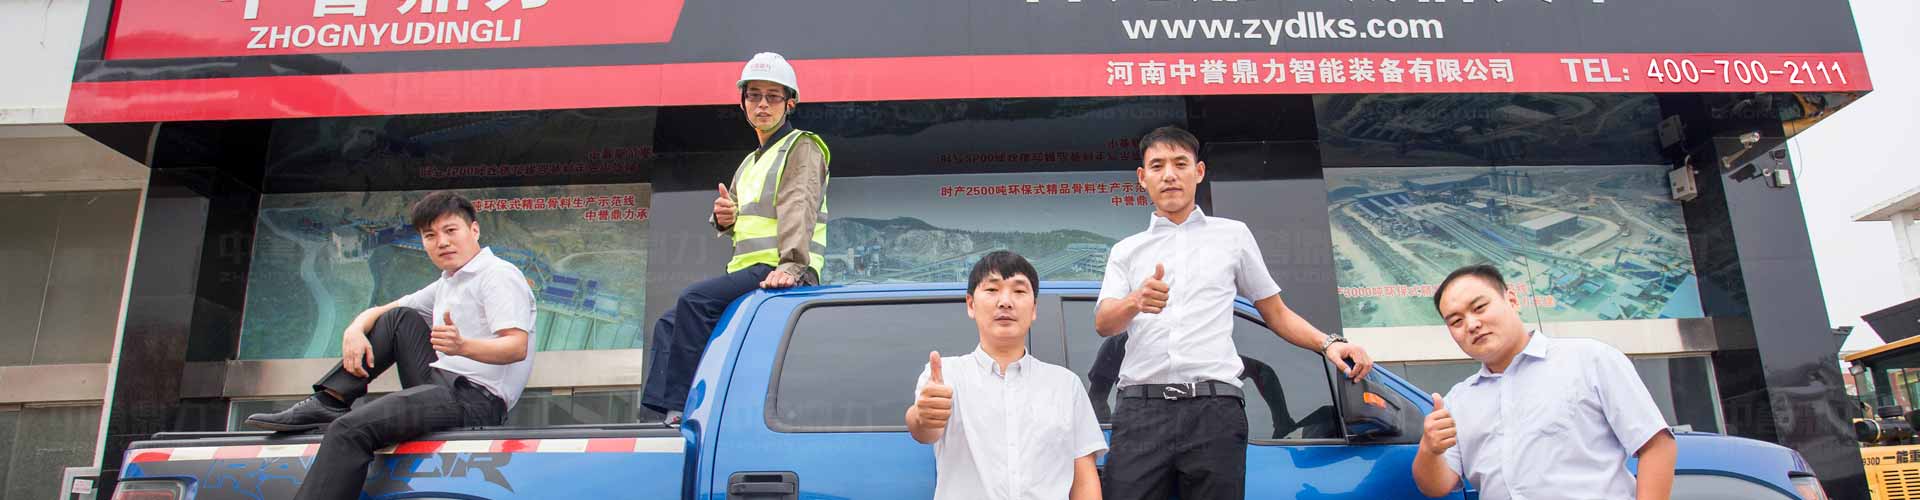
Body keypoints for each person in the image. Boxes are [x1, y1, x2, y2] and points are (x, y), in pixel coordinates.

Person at [1094, 125, 1373, 499]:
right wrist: (1134, 301)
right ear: (1143, 178)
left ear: (1199, 172)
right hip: (1141, 412)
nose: (1170, 175)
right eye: (1157, 166)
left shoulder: (1233, 236)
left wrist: (1329, 343)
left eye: (1180, 163)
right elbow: (1103, 323)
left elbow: (1276, 313)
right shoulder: (1126, 250)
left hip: (1214, 411)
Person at [243, 191, 535, 500]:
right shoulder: (449, 281)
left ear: (474, 230)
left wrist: (462, 346)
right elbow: (385, 311)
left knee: (347, 431)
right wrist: (354, 328)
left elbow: (516, 347)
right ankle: (330, 399)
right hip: (441, 387)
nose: (442, 242)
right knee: (398, 319)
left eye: (451, 230)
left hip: (475, 400)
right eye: (430, 236)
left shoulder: (497, 275)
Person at [642, 52, 831, 420]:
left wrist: (792, 266)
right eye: (754, 95)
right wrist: (723, 219)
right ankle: (663, 414)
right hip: (750, 270)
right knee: (669, 323)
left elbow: (800, 205)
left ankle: (686, 408)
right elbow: (740, 214)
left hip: (777, 268)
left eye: (773, 96)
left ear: (790, 103)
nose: (762, 104)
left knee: (694, 300)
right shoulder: (750, 161)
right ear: (742, 102)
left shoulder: (801, 147)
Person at [1413, 264, 1676, 500]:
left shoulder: (1590, 360)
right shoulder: (1458, 401)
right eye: (1456, 321)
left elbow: (1657, 445)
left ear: (1512, 300)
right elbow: (1437, 487)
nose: (1471, 324)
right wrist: (1429, 449)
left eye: (1479, 307)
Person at [906, 250, 1105, 500]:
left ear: (1034, 309)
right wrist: (923, 415)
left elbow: (1085, 481)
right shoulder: (946, 376)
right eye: (992, 289)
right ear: (971, 304)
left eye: (1019, 291)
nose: (1005, 302)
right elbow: (923, 429)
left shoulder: (1066, 385)